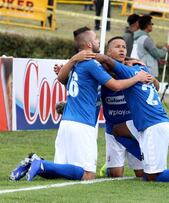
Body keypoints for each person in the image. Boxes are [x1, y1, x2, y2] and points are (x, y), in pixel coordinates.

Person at [9, 27, 152, 181]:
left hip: (67, 123)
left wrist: (70, 62)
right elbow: (115, 85)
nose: (99, 41)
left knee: (61, 173)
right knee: (88, 174)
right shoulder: (91, 64)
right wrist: (137, 77)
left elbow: (64, 80)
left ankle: (34, 162)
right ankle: (40, 163)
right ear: (90, 44)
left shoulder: (77, 63)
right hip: (83, 124)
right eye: (96, 39)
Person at [86, 42, 169, 183]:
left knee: (150, 176)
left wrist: (85, 55)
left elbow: (152, 84)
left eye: (124, 47)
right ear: (108, 51)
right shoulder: (133, 69)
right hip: (135, 123)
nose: (121, 49)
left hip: (145, 123)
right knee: (117, 139)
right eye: (117, 46)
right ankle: (138, 159)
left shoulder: (128, 70)